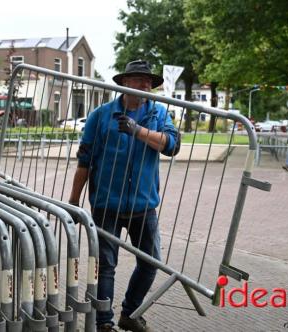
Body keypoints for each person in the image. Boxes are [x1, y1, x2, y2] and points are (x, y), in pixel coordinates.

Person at [69, 60, 178, 332]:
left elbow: (172, 146)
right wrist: (73, 202)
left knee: (150, 263)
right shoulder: (101, 115)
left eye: (148, 82)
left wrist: (137, 130)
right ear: (124, 83)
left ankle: (130, 314)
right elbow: (85, 160)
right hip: (107, 205)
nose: (144, 85)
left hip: (144, 205)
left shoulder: (158, 114)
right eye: (138, 79)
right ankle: (104, 323)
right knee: (106, 266)